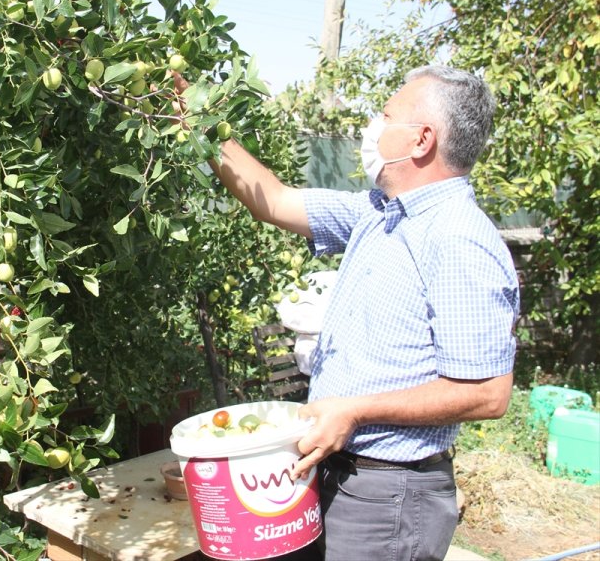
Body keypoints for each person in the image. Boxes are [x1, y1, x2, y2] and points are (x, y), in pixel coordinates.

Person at [199, 66, 520, 560]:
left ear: (421, 140)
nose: (372, 126)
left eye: (386, 116)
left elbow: (487, 393)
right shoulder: (379, 214)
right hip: (337, 473)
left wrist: (355, 410)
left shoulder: (457, 238)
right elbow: (275, 200)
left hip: (390, 496)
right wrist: (194, 112)